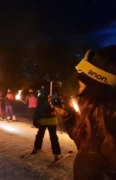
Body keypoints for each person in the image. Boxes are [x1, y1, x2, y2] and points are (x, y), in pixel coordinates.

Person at [56, 45, 116, 179]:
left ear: (96, 91)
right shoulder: (103, 123)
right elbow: (88, 144)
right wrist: (68, 117)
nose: (79, 92)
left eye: (81, 85)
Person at [30, 85, 64, 162]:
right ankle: (57, 154)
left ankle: (37, 148)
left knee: (40, 134)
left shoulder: (42, 98)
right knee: (53, 137)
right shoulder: (54, 96)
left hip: (44, 119)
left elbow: (38, 109)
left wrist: (35, 119)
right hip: (51, 119)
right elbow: (59, 106)